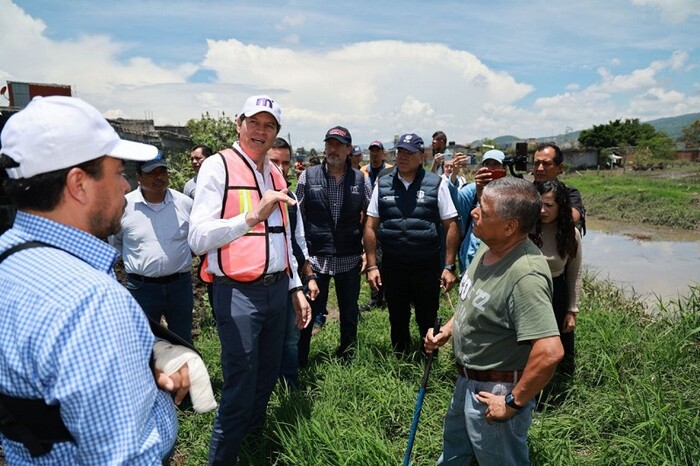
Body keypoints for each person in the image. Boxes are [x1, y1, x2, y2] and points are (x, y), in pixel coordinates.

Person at [0, 96, 190, 464]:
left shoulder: (9, 258)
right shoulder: (90, 300)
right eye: (118, 172)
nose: (124, 187)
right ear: (79, 184)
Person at [188, 95, 311, 465]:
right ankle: (222, 457)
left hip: (276, 290)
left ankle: (252, 445)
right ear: (239, 123)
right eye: (254, 122)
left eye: (269, 125)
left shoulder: (274, 173)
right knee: (241, 383)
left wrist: (295, 288)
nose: (261, 131)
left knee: (268, 375)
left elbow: (284, 239)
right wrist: (250, 217)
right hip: (237, 293)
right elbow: (197, 238)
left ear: (276, 133)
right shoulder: (217, 167)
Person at [425, 177, 564, 466]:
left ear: (509, 226)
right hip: (467, 381)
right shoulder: (489, 250)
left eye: (484, 211)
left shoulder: (525, 275)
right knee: (453, 455)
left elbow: (550, 351)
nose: (474, 212)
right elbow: (473, 301)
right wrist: (448, 330)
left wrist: (512, 402)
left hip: (495, 391)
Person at [365, 133, 459, 355]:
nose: (403, 157)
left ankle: (429, 359)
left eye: (409, 153)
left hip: (426, 266)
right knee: (397, 316)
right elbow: (370, 226)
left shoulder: (436, 184)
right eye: (400, 152)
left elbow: (451, 225)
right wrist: (372, 265)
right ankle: (400, 359)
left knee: (427, 316)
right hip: (393, 265)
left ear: (421, 157)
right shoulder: (384, 184)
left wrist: (449, 266)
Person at [296, 125, 371, 364]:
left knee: (349, 312)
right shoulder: (308, 176)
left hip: (349, 258)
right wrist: (302, 257)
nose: (333, 149)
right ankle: (301, 360)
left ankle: (347, 356)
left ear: (349, 149)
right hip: (316, 259)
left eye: (339, 145)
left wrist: (368, 253)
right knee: (309, 312)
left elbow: (371, 217)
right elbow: (296, 216)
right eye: (329, 144)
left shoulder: (360, 180)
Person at [110, 158, 195, 343]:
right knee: (144, 340)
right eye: (152, 173)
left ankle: (184, 372)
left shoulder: (185, 204)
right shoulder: (124, 206)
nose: (159, 177)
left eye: (162, 172)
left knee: (182, 339)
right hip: (141, 288)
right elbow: (116, 243)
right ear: (139, 177)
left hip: (179, 286)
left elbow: (195, 240)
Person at [267, 137, 319, 388]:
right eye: (274, 161)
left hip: (289, 278)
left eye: (285, 163)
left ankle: (289, 384)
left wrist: (308, 277)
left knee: (290, 336)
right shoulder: (251, 196)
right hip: (260, 283)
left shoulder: (291, 199)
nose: (280, 168)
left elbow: (298, 241)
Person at [530, 179, 582, 379]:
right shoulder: (526, 230)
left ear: (561, 207)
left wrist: (572, 310)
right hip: (529, 290)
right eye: (539, 204)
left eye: (549, 205)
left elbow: (574, 272)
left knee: (560, 344)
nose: (542, 210)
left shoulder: (571, 234)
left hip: (556, 292)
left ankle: (561, 385)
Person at [450, 149, 507, 273]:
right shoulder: (472, 190)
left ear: (504, 169)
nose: (490, 169)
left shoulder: (509, 191)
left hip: (499, 257)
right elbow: (454, 203)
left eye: (495, 165)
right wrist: (454, 175)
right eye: (487, 165)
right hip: (471, 256)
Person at [533, 142, 586, 231]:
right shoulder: (525, 191)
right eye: (536, 163)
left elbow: (573, 218)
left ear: (560, 168)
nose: (540, 168)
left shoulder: (569, 192)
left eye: (546, 164)